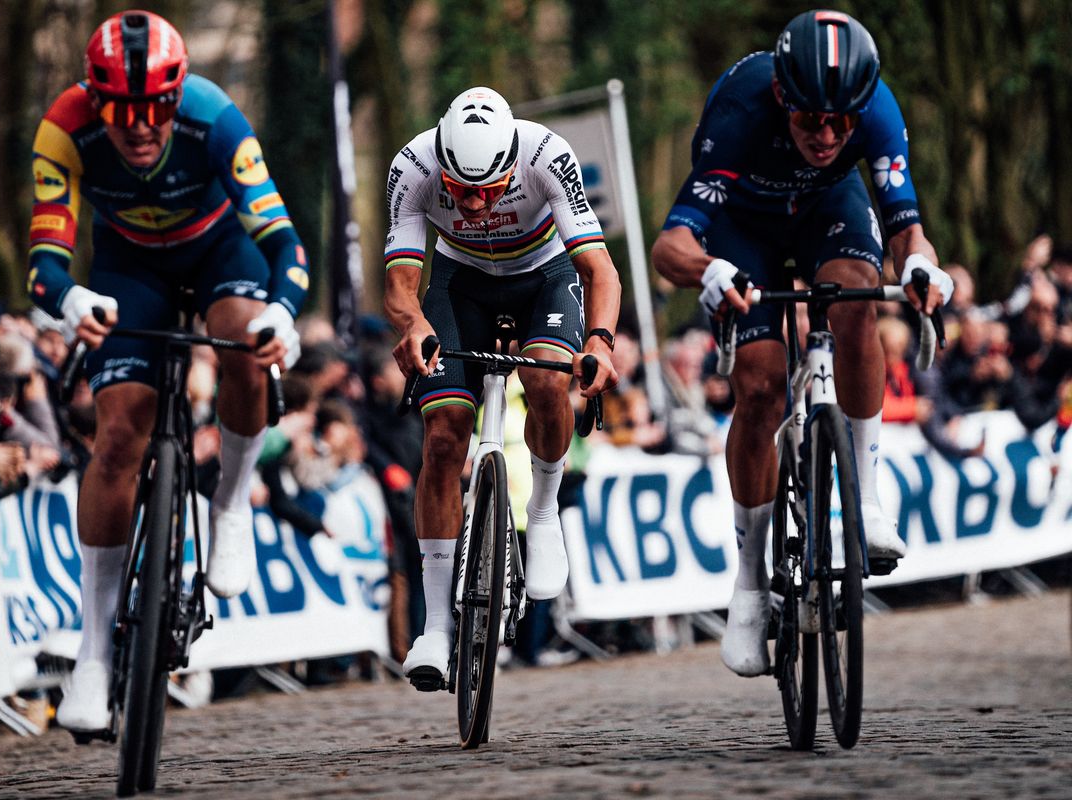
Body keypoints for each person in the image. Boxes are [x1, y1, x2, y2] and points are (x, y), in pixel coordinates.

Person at [25, 11, 309, 734]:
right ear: (95, 101)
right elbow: (46, 263)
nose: (141, 128)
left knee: (244, 346)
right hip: (129, 264)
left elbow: (282, 243)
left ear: (176, 101)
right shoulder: (64, 129)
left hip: (220, 251)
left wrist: (282, 313)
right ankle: (93, 652)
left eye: (155, 110)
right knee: (118, 434)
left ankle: (232, 500)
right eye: (122, 113)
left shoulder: (215, 119)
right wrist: (71, 299)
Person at [650, 10, 953, 677]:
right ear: (784, 98)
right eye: (811, 119)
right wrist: (710, 271)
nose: (826, 134)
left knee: (855, 306)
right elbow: (669, 245)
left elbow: (908, 230)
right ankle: (750, 583)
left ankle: (866, 501)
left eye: (841, 122)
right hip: (743, 230)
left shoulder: (873, 109)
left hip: (826, 211)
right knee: (758, 386)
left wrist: (923, 265)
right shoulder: (741, 107)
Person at [383, 86, 620, 688]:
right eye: (462, 192)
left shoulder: (548, 154)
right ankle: (435, 628)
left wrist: (599, 342)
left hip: (545, 275)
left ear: (513, 163)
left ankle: (542, 511)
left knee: (545, 377)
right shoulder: (413, 166)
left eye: (490, 189)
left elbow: (599, 269)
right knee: (441, 440)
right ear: (443, 167)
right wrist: (412, 325)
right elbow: (404, 281)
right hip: (460, 282)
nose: (478, 203)